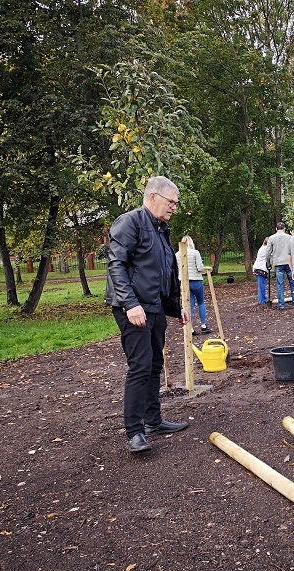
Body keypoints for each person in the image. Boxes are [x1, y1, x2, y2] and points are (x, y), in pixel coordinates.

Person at [105, 176, 191, 454]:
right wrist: (130, 304)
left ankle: (153, 421)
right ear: (153, 197)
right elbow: (117, 266)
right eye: (171, 202)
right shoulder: (129, 222)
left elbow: (164, 272)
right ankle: (134, 432)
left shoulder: (161, 229)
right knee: (140, 366)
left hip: (153, 308)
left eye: (176, 203)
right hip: (133, 309)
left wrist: (176, 308)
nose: (174, 207)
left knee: (155, 364)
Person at [175, 236, 211, 336]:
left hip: (183, 281)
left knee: (188, 305)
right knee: (201, 302)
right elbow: (200, 268)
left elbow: (176, 269)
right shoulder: (195, 253)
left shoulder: (177, 254)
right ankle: (203, 325)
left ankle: (190, 328)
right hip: (196, 280)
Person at [267, 222, 294, 310]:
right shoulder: (289, 237)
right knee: (293, 283)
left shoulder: (271, 238)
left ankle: (281, 305)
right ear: (284, 228)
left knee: (280, 284)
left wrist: (268, 262)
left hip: (278, 263)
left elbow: (268, 252)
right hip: (289, 262)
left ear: (276, 229)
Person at [252, 237, 270, 306]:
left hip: (258, 268)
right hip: (260, 268)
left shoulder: (262, 248)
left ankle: (262, 299)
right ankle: (262, 301)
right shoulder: (265, 249)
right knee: (261, 285)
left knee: (261, 285)